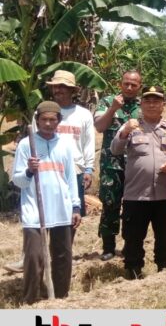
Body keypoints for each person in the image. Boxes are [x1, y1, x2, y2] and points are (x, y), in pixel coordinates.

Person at [110, 86, 166, 279]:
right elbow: (115, 149)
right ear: (141, 104)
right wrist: (124, 132)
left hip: (164, 194)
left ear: (164, 104)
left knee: (165, 235)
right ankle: (133, 270)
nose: (152, 104)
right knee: (133, 237)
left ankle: (164, 269)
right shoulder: (131, 126)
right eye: (148, 100)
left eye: (156, 100)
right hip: (136, 194)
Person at [12, 101, 81, 304]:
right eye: (44, 119)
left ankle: (60, 297)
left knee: (62, 257)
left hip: (61, 208)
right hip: (35, 209)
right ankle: (31, 300)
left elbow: (70, 179)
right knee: (34, 257)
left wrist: (75, 206)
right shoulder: (26, 144)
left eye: (53, 120)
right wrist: (28, 171)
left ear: (58, 121)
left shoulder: (65, 144)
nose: (49, 124)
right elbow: (18, 180)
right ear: (37, 120)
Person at [93, 70, 142, 261]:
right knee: (110, 203)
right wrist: (112, 109)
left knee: (133, 205)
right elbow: (99, 126)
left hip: (135, 165)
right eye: (126, 83)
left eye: (133, 84)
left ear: (139, 86)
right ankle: (108, 247)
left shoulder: (142, 105)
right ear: (120, 83)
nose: (129, 87)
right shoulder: (107, 101)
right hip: (111, 165)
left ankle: (130, 244)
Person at [46, 70, 95, 217]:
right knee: (50, 213)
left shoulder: (83, 114)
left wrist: (88, 169)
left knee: (74, 214)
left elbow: (88, 143)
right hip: (49, 169)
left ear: (72, 90)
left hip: (76, 170)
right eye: (55, 86)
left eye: (62, 86)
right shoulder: (43, 113)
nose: (58, 89)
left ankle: (68, 241)